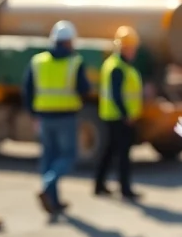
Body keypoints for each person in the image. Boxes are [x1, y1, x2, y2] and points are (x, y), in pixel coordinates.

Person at [22, 20, 91, 216]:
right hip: (66, 117)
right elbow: (84, 89)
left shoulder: (38, 61)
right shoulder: (74, 62)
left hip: (44, 117)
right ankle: (48, 187)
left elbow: (27, 89)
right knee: (67, 157)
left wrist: (33, 113)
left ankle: (53, 201)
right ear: (69, 42)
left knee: (49, 159)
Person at [93, 25, 144, 201]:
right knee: (123, 155)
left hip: (114, 116)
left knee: (110, 151)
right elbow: (116, 94)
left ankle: (99, 185)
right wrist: (126, 114)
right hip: (118, 117)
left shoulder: (119, 65)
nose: (134, 51)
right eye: (132, 48)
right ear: (124, 47)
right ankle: (125, 189)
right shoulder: (117, 67)